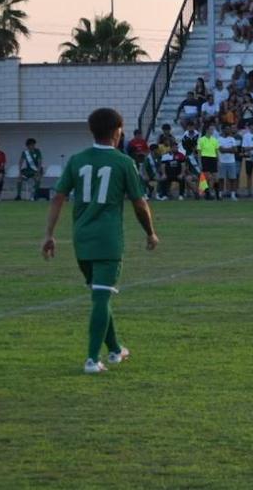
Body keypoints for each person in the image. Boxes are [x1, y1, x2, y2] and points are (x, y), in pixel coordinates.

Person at [41, 107, 159, 374]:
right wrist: (150, 232)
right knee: (100, 298)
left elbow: (58, 197)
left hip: (81, 239)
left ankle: (116, 350)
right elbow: (140, 204)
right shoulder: (123, 162)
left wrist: (49, 234)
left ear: (91, 131)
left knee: (101, 295)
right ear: (118, 132)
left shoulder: (76, 160)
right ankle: (92, 360)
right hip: (107, 240)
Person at [217, 125, 241, 200]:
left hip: (231, 161)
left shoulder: (232, 139)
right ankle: (220, 194)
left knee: (233, 178)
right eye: (227, 129)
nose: (229, 131)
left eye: (229, 129)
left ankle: (233, 195)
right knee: (221, 178)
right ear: (223, 130)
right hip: (222, 161)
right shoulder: (219, 139)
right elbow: (221, 150)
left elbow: (235, 150)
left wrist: (226, 149)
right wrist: (230, 150)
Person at [197, 125, 220, 199]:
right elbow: (199, 153)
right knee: (208, 178)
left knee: (216, 178)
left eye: (213, 129)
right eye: (211, 129)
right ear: (207, 130)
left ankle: (217, 194)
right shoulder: (201, 140)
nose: (212, 131)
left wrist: (218, 161)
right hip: (205, 159)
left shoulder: (215, 140)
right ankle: (208, 194)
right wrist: (200, 162)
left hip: (213, 159)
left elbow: (217, 151)